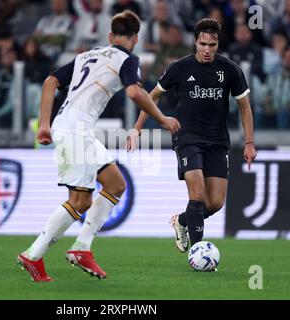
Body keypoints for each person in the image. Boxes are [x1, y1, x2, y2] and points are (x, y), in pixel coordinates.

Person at [17, 10, 180, 282]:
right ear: (136, 39)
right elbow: (133, 91)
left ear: (109, 36)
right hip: (75, 130)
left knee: (116, 184)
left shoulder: (87, 55)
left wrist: (44, 124)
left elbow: (50, 81)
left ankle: (81, 247)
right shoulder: (128, 59)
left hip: (74, 127)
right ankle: (33, 254)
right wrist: (162, 118)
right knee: (80, 201)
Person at [127, 18, 257, 254]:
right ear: (195, 42)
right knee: (196, 193)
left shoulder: (230, 70)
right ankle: (198, 252)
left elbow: (245, 106)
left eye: (212, 45)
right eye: (203, 44)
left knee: (215, 203)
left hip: (217, 141)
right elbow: (152, 96)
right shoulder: (180, 68)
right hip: (187, 137)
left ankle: (183, 221)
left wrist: (249, 142)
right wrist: (137, 128)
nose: (207, 50)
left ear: (218, 45)